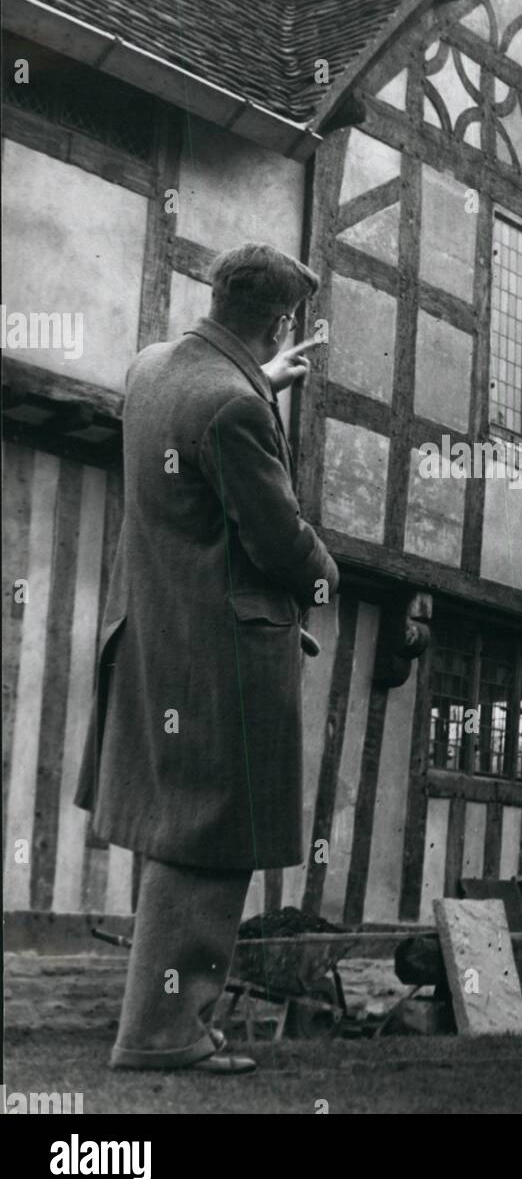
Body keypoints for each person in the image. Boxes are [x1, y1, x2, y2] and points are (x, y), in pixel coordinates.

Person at [75, 242, 339, 1074]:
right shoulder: (236, 409)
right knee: (215, 840)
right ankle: (163, 1035)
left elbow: (204, 414)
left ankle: (161, 1024)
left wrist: (264, 377)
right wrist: (329, 574)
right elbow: (276, 540)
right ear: (279, 321)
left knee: (176, 829)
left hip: (156, 636)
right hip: (220, 652)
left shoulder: (153, 367)